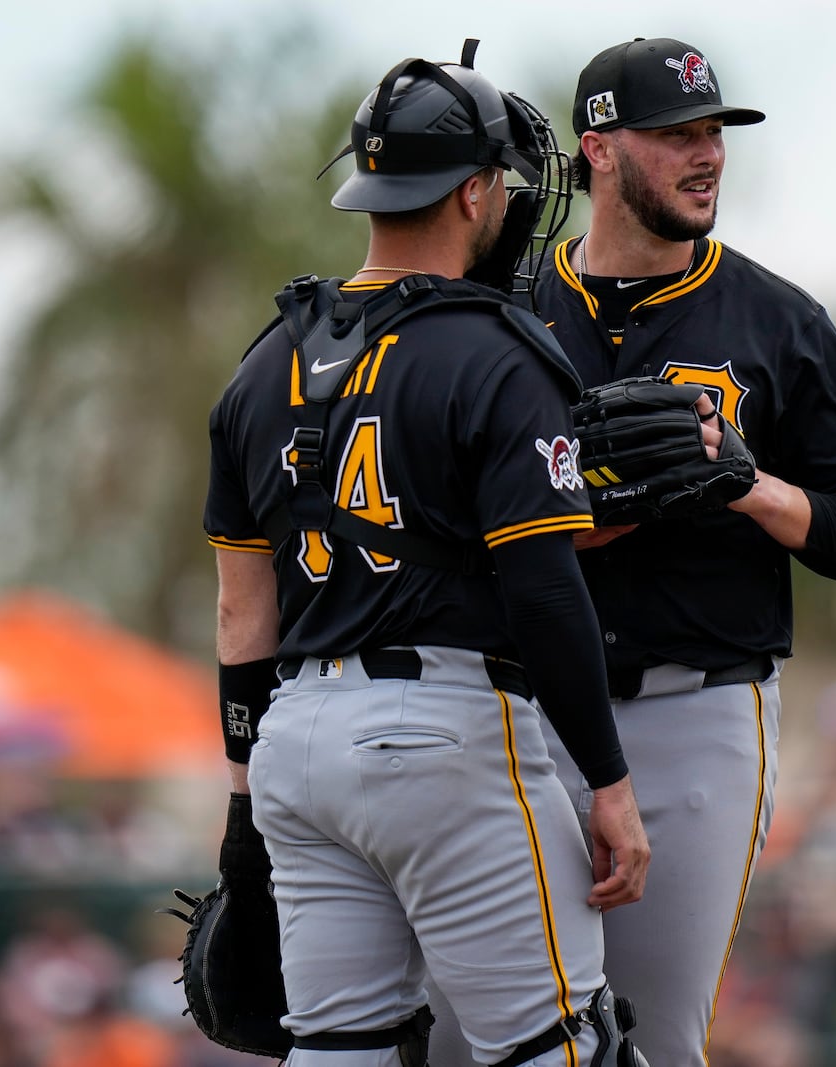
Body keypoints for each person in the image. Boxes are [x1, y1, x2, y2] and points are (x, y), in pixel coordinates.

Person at [439, 35, 836, 1067]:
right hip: (522, 710)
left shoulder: (779, 321)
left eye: (713, 133)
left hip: (697, 711)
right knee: (478, 1039)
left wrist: (750, 486)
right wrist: (574, 515)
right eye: (674, 136)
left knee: (651, 1037)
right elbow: (443, 525)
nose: (705, 155)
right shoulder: (510, 312)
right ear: (596, 149)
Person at [203, 42, 653, 1067]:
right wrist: (610, 782)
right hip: (441, 728)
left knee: (341, 1049)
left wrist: (241, 812)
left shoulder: (259, 363)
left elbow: (242, 615)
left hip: (293, 744)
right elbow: (544, 586)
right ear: (472, 192)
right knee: (559, 1046)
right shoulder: (494, 350)